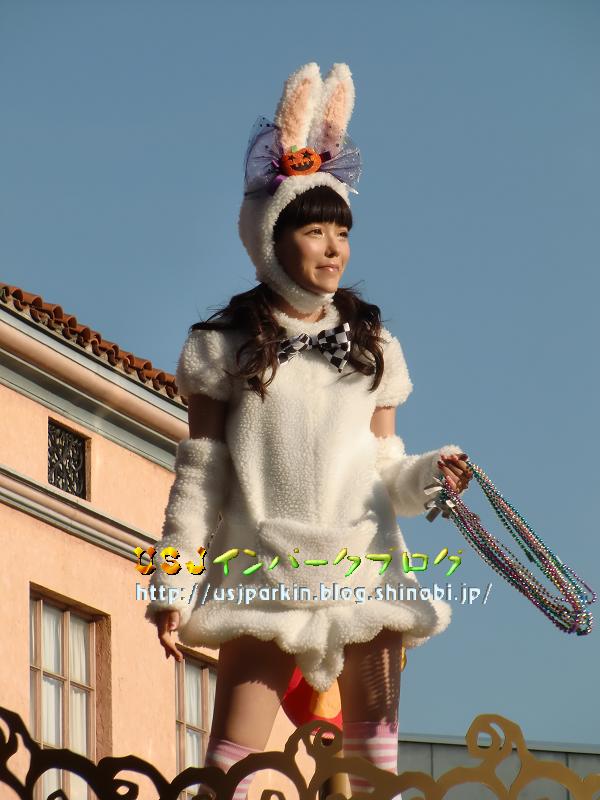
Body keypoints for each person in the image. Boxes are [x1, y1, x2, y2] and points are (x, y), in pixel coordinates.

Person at [144, 62, 472, 800]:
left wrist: (434, 473)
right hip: (262, 577)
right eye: (314, 230)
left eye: (342, 231)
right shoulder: (221, 346)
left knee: (373, 780)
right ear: (270, 240)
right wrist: (171, 583)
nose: (333, 248)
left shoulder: (375, 345)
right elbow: (199, 479)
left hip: (366, 574)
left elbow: (388, 470)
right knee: (228, 772)